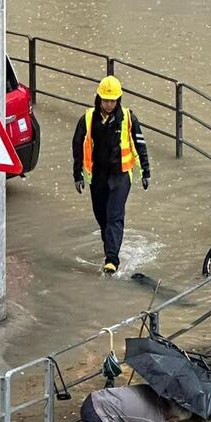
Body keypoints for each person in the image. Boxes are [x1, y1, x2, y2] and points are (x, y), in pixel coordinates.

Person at [72, 75, 150, 276]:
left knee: (115, 215)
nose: (109, 104)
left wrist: (145, 172)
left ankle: (112, 259)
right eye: (106, 100)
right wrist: (77, 174)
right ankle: (111, 248)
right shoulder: (88, 119)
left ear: (119, 99)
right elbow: (77, 146)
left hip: (120, 175)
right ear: (99, 98)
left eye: (113, 100)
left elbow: (140, 144)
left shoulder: (128, 118)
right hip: (97, 175)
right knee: (102, 216)